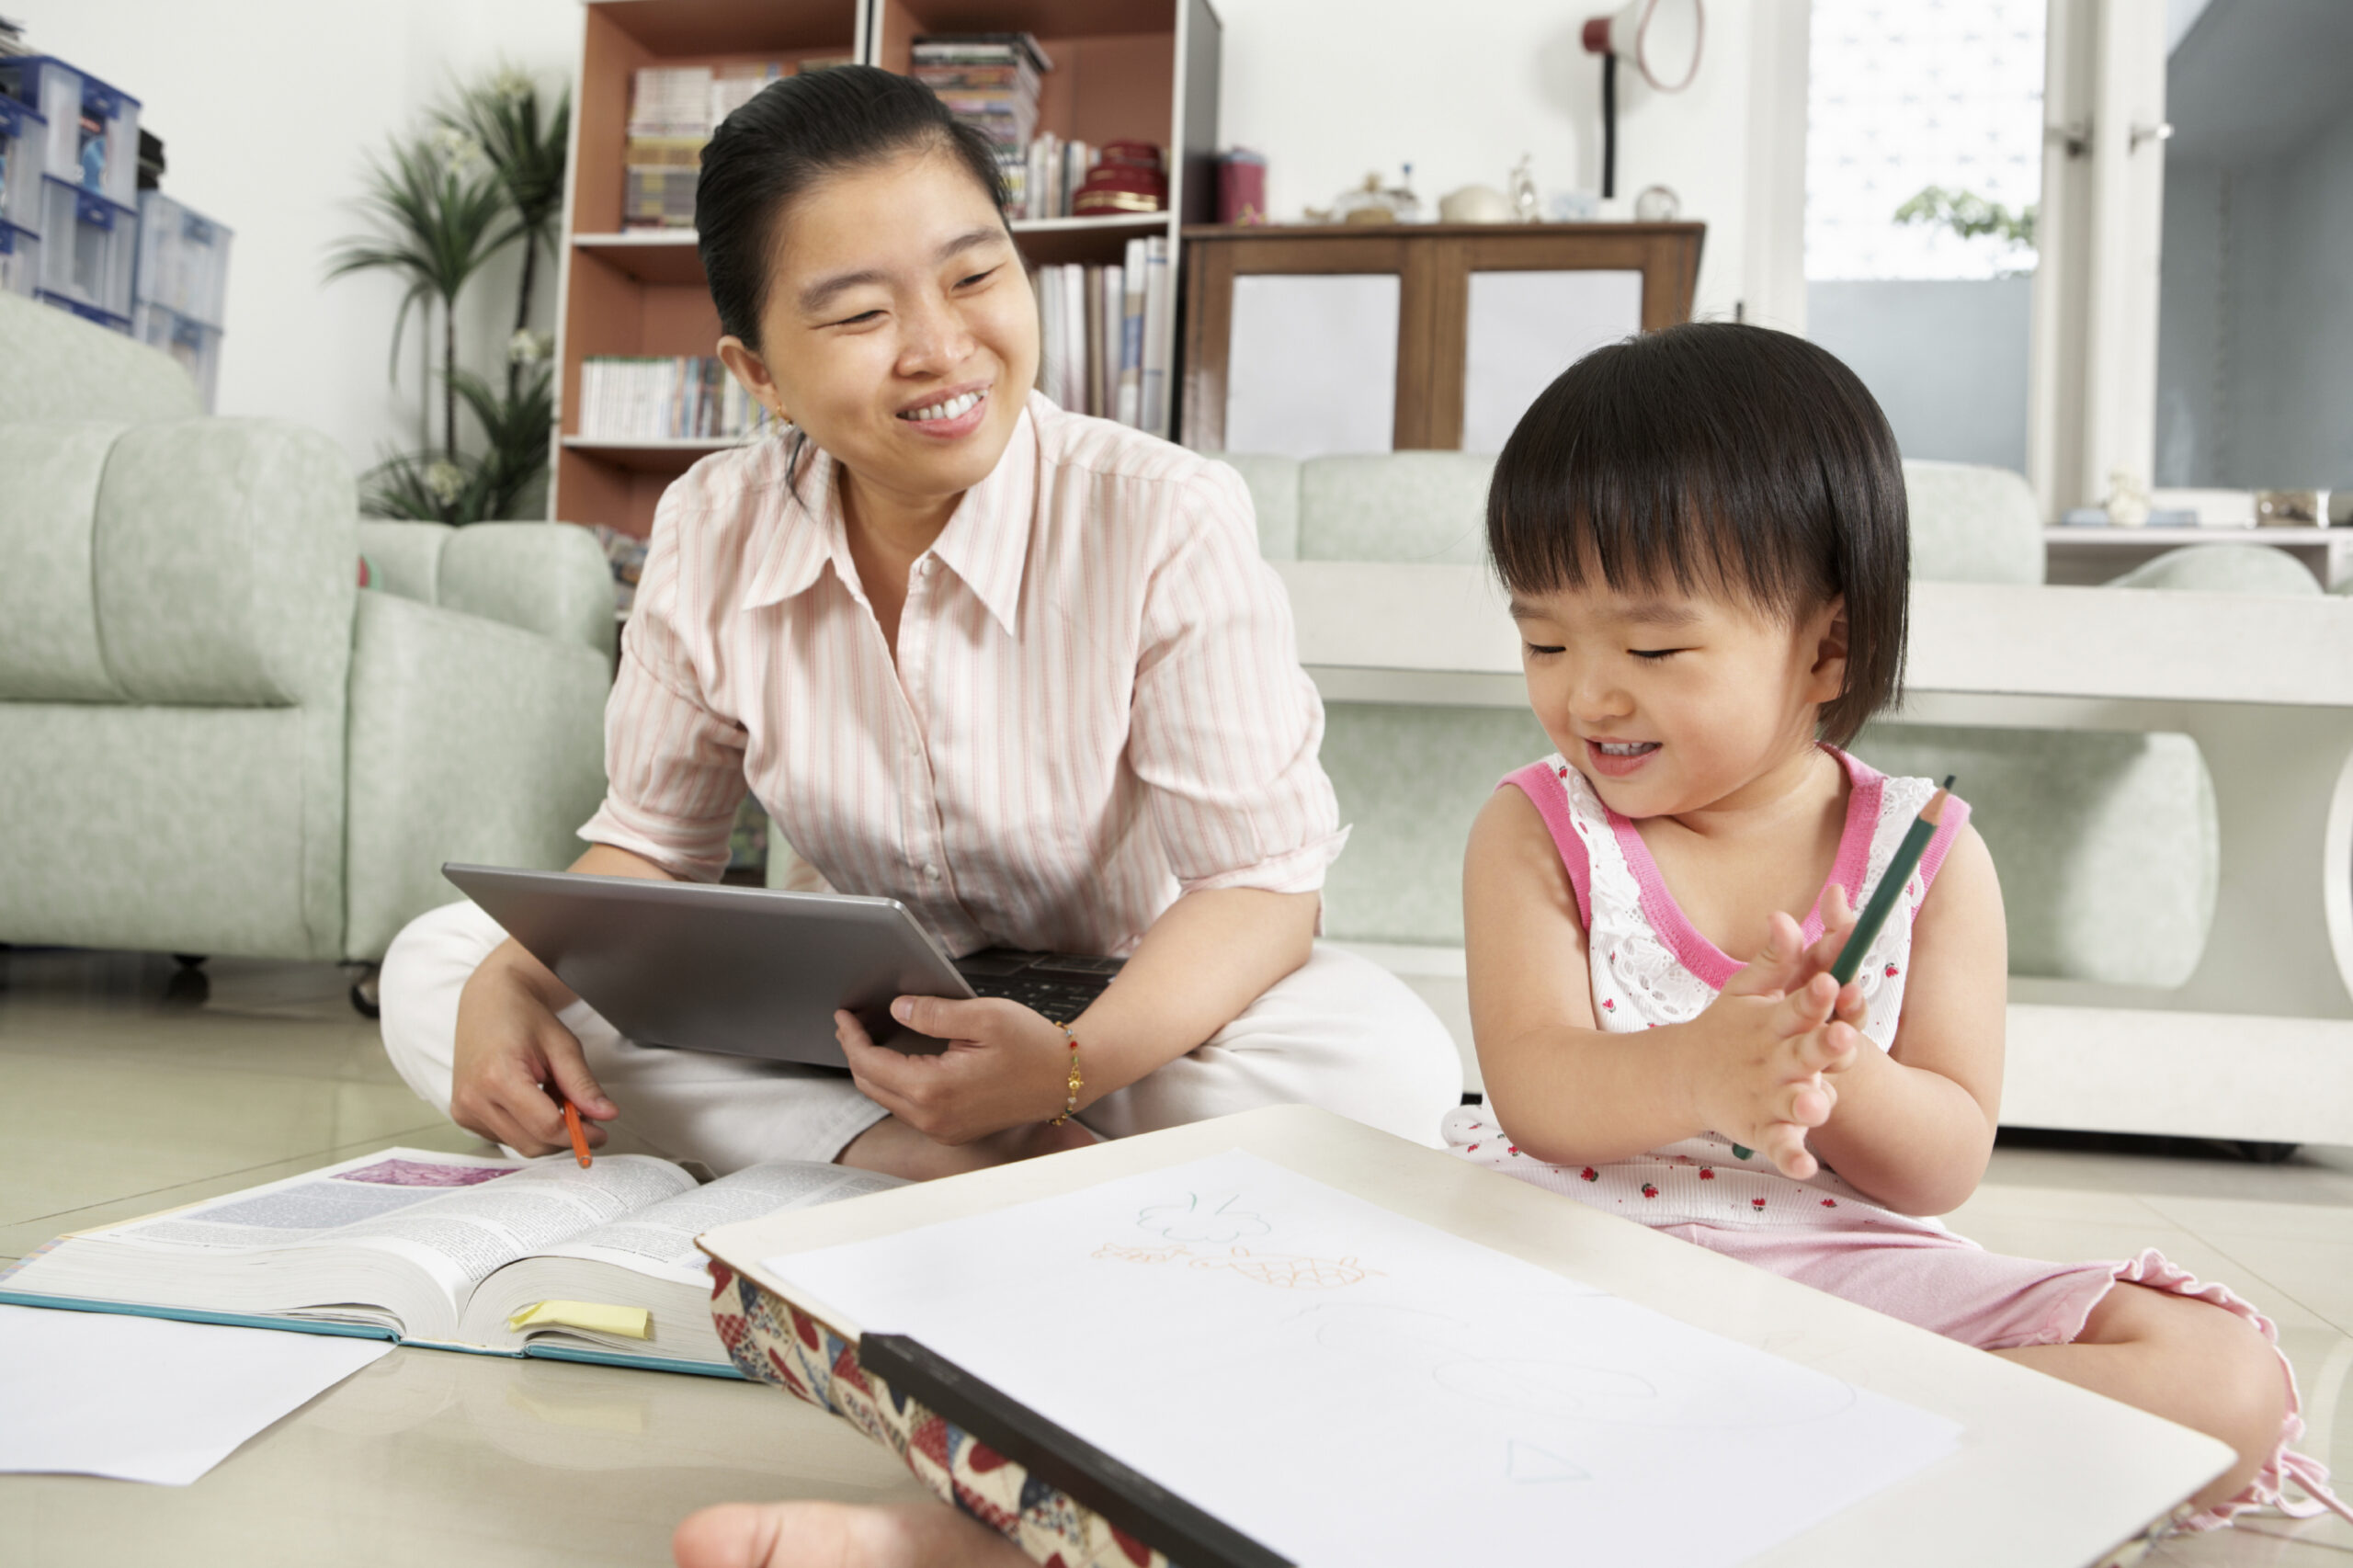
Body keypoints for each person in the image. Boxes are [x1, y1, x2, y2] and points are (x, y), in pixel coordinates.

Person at [377, 64, 1461, 1187]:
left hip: (1118, 1001)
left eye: (974, 275)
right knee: (439, 966)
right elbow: (652, 847)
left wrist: (1070, 1065)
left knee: (1386, 1069)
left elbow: (1259, 889)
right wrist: (512, 981)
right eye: (860, 314)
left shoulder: (1163, 514)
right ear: (761, 375)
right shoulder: (710, 524)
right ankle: (917, 1148)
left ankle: (941, 1135)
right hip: (852, 1017)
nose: (941, 347)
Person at [1445, 323, 2345, 1534]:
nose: (1586, 691)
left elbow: (1943, 1164)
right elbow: (1534, 1089)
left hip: (1843, 1286)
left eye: (1653, 645)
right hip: (1585, 1252)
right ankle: (1848, 1453)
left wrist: (1835, 1070)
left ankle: (1766, 1428)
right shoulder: (1537, 828)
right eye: (1543, 639)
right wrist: (1703, 1067)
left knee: (2224, 1382)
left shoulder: (1932, 856)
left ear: (1829, 646)